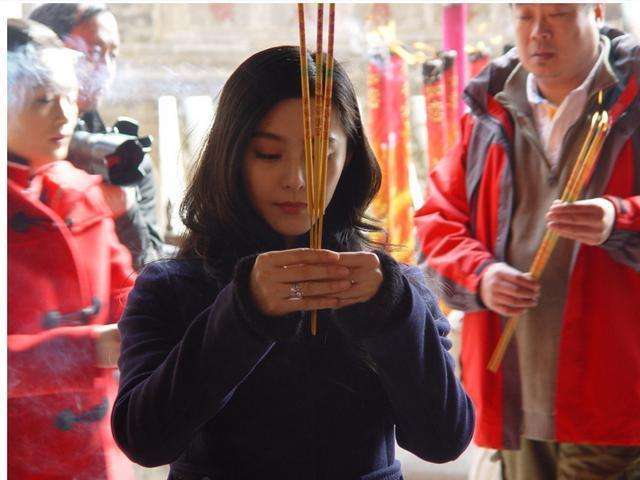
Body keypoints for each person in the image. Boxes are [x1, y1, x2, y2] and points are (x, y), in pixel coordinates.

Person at [111, 45, 474, 479]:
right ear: (231, 157)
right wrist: (243, 313)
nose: (296, 179)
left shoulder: (386, 287)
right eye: (268, 154)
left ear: (351, 157)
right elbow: (144, 440)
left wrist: (394, 313)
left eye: (321, 154)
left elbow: (443, 439)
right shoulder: (172, 285)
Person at [415, 4, 640, 479]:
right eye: (525, 15)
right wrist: (483, 274)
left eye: (558, 13)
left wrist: (619, 216)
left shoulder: (631, 101)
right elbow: (437, 219)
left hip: (619, 384)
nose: (539, 32)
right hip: (515, 387)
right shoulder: (487, 108)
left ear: (596, 11)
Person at [7, 18, 135, 479]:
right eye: (42, 100)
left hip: (99, 447)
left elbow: (126, 290)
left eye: (67, 96)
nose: (64, 115)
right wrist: (89, 349)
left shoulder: (80, 190)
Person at [29, 2, 165, 269]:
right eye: (93, 51)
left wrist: (126, 214)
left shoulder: (125, 162)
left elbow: (152, 277)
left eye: (112, 55)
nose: (106, 68)